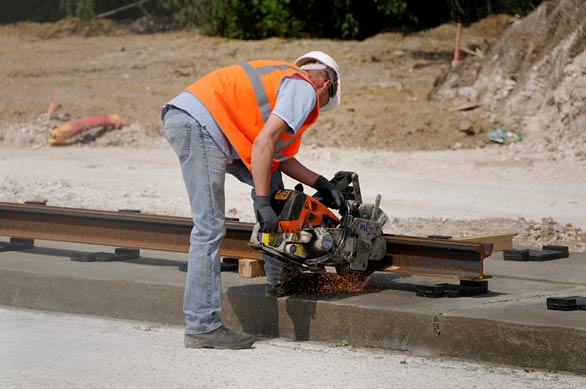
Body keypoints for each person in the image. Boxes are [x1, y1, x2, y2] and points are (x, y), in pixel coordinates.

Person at [161, 51, 344, 350]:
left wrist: (320, 183)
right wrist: (262, 204)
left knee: (272, 185)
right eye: (325, 104)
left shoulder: (282, 79)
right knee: (209, 227)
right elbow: (264, 143)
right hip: (200, 125)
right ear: (325, 86)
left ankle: (279, 278)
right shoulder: (304, 89)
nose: (319, 110)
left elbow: (276, 156)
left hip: (200, 120)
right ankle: (201, 326)